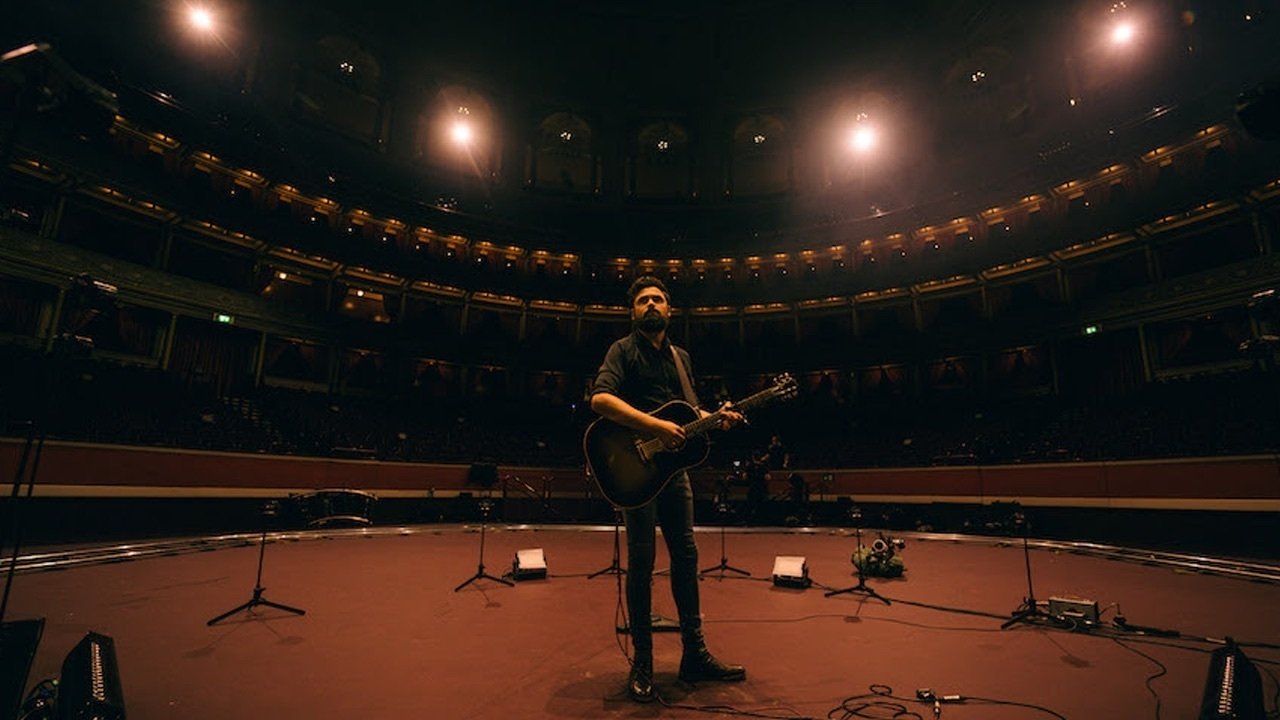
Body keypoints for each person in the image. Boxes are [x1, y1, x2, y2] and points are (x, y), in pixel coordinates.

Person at [590, 277, 747, 703]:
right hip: (637, 473)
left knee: (687, 556)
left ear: (669, 310)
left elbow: (687, 412)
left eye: (658, 299)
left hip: (673, 473)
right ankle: (643, 660)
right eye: (642, 300)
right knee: (641, 562)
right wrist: (653, 425)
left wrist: (716, 416)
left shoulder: (681, 358)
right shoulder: (621, 351)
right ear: (633, 312)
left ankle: (694, 654)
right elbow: (601, 400)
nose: (651, 304)